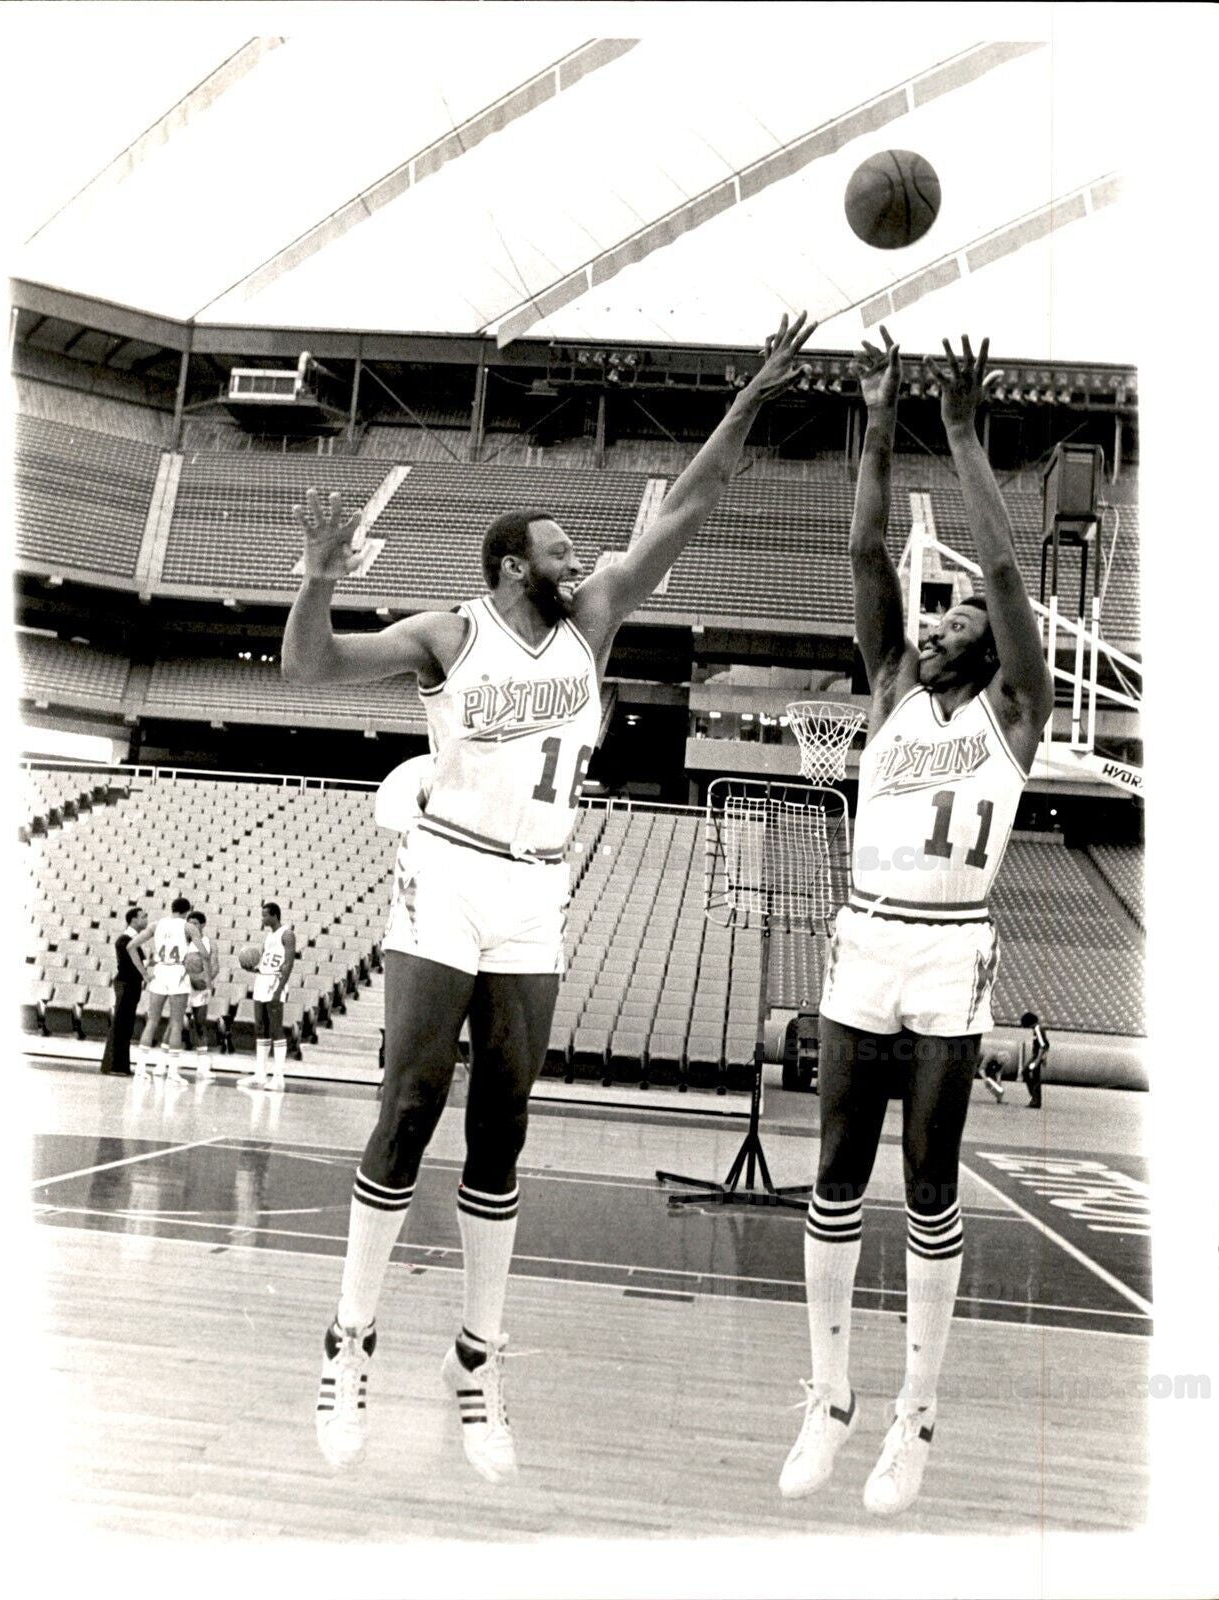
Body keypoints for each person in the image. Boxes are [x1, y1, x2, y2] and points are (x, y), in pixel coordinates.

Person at [281, 311, 818, 1483]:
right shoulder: (449, 634)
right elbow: (308, 667)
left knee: (503, 1127)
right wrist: (317, 580)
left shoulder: (594, 624)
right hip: (448, 871)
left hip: (534, 891)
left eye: (582, 554)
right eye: (563, 553)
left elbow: (687, 504)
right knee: (412, 1098)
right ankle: (348, 1337)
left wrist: (755, 395)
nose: (584, 563)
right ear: (512, 566)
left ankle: (477, 1360)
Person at [778, 329, 1053, 1516]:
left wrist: (964, 437)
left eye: (954, 619)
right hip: (865, 941)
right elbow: (862, 546)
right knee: (835, 1171)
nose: (935, 619)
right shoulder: (890, 687)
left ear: (989, 646)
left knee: (929, 1180)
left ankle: (916, 1416)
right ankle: (829, 1395)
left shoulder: (1017, 709)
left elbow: (1001, 572)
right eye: (928, 617)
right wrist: (880, 422)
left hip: (950, 954)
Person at [130, 895, 204, 1083]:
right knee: (176, 1023)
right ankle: (172, 1073)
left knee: (152, 1021)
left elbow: (131, 946)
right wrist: (194, 960)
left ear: (172, 908)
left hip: (160, 971)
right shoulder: (189, 927)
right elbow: (203, 953)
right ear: (188, 911)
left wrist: (145, 974)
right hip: (178, 971)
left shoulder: (156, 925)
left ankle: (140, 1069)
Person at [238, 902, 296, 1093]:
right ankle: (260, 1074)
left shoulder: (287, 934)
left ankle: (278, 1077)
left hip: (275, 982)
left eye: (265, 916)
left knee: (276, 1028)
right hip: (262, 980)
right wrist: (253, 967)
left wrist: (279, 989)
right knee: (260, 1026)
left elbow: (288, 963)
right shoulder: (269, 936)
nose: (262, 919)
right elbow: (266, 960)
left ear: (275, 916)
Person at [99, 906, 148, 1076]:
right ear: (134, 920)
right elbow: (134, 964)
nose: (146, 919)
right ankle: (114, 1065)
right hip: (126, 984)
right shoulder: (125, 940)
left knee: (125, 1025)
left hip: (130, 985)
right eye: (143, 917)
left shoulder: (132, 939)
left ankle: (119, 1065)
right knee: (121, 1024)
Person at [185, 910, 219, 1072]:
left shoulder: (208, 943)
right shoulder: (182, 942)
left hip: (200, 987)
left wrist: (204, 981)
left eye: (195, 923)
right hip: (184, 985)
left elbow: (215, 967)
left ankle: (203, 1060)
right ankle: (170, 1060)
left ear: (203, 925)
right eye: (189, 923)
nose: (192, 926)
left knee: (200, 1023)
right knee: (176, 1022)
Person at [1019, 1010, 1049, 1108]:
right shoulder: (1039, 1029)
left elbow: (1042, 1046)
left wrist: (1037, 1060)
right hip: (1037, 1056)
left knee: (1027, 1073)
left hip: (1036, 1057)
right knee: (1032, 1076)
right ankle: (1035, 1099)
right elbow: (1047, 1044)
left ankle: (1035, 1098)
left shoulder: (1037, 1029)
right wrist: (1044, 1058)